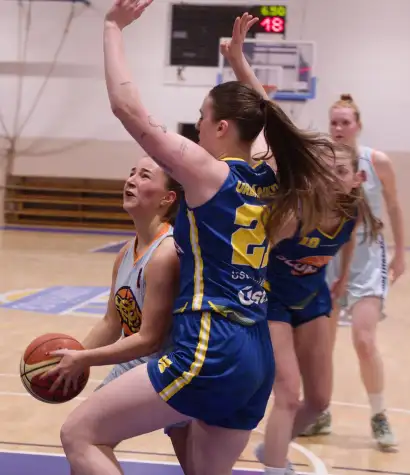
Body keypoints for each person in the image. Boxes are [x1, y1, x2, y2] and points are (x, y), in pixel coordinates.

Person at [53, 2, 340, 474]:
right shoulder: (268, 174)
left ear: (222, 127)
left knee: (79, 434)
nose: (198, 125)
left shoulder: (209, 174)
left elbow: (127, 108)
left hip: (210, 344)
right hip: (256, 354)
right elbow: (267, 123)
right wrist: (239, 65)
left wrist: (112, 28)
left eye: (202, 116)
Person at [220, 16, 382, 474]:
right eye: (324, 165)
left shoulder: (355, 212)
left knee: (318, 402)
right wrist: (239, 61)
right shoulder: (294, 209)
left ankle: (270, 450)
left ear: (356, 179)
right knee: (287, 394)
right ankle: (276, 466)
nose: (329, 170)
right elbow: (271, 115)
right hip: (270, 300)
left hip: (311, 300)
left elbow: (344, 246)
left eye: (339, 168)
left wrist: (343, 278)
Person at [43, 154, 187, 452]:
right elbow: (112, 322)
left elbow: (149, 340)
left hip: (170, 366)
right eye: (132, 173)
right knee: (82, 438)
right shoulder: (125, 252)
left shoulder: (166, 254)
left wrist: (84, 360)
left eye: (144, 176)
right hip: (137, 363)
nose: (131, 180)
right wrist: (72, 356)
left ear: (167, 198)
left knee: (82, 437)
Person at [301, 94, 405, 450]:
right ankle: (321, 412)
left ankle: (379, 415)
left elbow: (394, 206)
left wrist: (401, 253)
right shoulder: (320, 163)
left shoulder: (377, 162)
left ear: (358, 125)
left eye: (345, 122)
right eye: (334, 122)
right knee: (322, 345)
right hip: (329, 258)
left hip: (367, 257)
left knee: (363, 339)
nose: (339, 128)